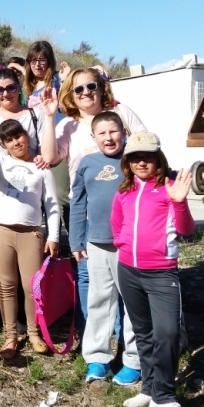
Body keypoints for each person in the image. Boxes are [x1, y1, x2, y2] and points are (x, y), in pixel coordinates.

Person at [45, 67, 146, 324]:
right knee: (87, 274)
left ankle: (126, 336)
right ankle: (93, 336)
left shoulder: (121, 114)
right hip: (86, 212)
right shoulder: (68, 125)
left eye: (91, 86)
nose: (86, 92)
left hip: (127, 212)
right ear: (71, 94)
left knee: (125, 275)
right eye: (78, 88)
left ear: (101, 88)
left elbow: (147, 147)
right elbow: (49, 157)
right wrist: (48, 117)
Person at [111, 131, 195, 407]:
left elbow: (185, 230)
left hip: (162, 274)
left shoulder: (170, 188)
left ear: (158, 158)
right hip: (129, 270)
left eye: (147, 156)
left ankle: (165, 396)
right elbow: (116, 224)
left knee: (168, 334)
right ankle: (149, 389)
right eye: (135, 157)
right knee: (143, 333)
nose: (141, 163)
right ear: (127, 162)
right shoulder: (124, 190)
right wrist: (123, 242)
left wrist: (180, 202)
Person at [0, 120, 60, 359]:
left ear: (27, 136)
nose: (16, 143)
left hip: (31, 232)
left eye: (19, 136)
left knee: (31, 287)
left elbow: (51, 204)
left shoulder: (41, 166)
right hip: (1, 230)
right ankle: (10, 336)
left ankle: (34, 333)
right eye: (9, 140)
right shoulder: (1, 162)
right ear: (4, 145)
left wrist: (53, 236)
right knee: (6, 287)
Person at [69, 112, 140, 386]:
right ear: (93, 137)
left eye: (114, 131)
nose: (109, 138)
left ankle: (133, 361)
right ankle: (98, 359)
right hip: (96, 244)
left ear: (124, 132)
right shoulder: (88, 163)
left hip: (131, 245)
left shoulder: (135, 160)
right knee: (99, 301)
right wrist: (76, 241)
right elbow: (77, 204)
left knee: (132, 304)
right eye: (102, 133)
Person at [23, 41, 61, 110]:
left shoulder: (57, 80)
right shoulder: (28, 84)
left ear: (49, 62)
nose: (37, 64)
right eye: (33, 60)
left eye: (41, 60)